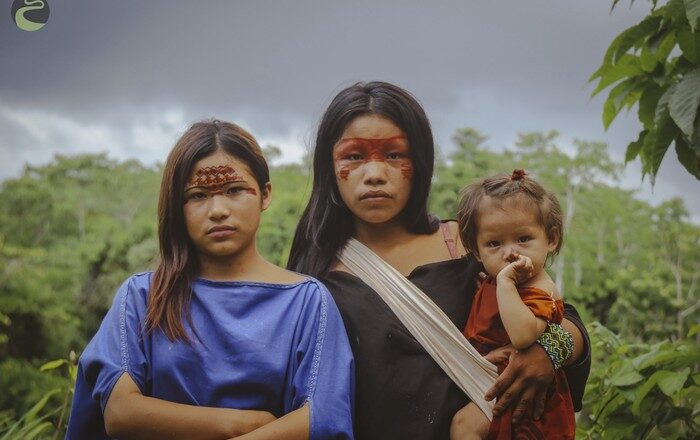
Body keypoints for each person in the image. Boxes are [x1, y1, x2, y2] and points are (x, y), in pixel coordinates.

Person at [287, 81, 591, 439]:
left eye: (394, 155)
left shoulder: (466, 246)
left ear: (420, 162)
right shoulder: (314, 272)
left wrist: (548, 352)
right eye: (354, 157)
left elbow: (561, 317)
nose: (374, 174)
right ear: (329, 165)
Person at [66, 120, 354, 440]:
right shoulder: (143, 297)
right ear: (178, 207)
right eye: (198, 195)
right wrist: (242, 424)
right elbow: (120, 411)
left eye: (234, 190)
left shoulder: (307, 302)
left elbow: (322, 418)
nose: (217, 210)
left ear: (265, 194)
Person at [450, 170, 575, 439]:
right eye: (494, 243)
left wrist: (506, 284)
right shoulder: (488, 281)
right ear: (476, 251)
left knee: (464, 426)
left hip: (523, 393)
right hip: (486, 382)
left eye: (523, 239)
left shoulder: (539, 288)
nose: (510, 253)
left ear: (551, 239)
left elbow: (523, 336)